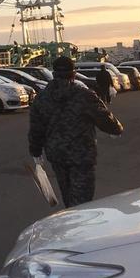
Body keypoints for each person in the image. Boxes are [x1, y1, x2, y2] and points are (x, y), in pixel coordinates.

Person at [29, 56, 123, 208]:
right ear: (73, 74)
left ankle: (71, 223)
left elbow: (36, 128)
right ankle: (80, 227)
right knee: (82, 202)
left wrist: (35, 151)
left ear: (54, 74)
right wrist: (116, 129)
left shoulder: (42, 98)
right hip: (82, 154)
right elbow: (104, 117)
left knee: (68, 197)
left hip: (57, 155)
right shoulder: (84, 95)